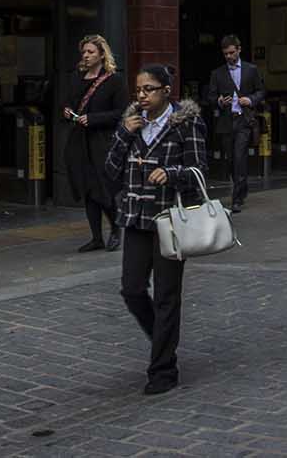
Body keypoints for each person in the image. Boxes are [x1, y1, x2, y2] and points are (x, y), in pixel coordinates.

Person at [103, 63, 208, 396]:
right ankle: (163, 339)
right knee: (132, 290)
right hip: (135, 218)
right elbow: (110, 170)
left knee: (166, 296)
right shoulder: (132, 122)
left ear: (166, 90)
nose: (142, 96)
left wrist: (171, 173)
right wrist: (124, 134)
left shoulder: (185, 123)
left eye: (148, 89)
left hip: (170, 220)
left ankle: (163, 369)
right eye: (138, 90)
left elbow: (199, 170)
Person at [63, 34, 128, 251]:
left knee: (103, 189)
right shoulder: (76, 77)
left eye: (90, 52)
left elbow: (121, 112)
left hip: (102, 142)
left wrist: (94, 119)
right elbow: (69, 102)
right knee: (87, 189)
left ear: (101, 54)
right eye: (84, 52)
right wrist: (68, 111)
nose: (86, 56)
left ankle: (116, 229)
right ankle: (96, 237)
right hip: (79, 141)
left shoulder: (114, 80)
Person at [202, 35, 264, 213]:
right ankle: (241, 187)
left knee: (239, 157)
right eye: (226, 54)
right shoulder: (217, 73)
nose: (229, 56)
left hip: (244, 119)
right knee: (230, 160)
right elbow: (210, 96)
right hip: (226, 121)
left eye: (231, 52)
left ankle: (237, 198)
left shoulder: (251, 70)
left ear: (239, 49)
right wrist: (220, 101)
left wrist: (250, 100)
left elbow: (261, 91)